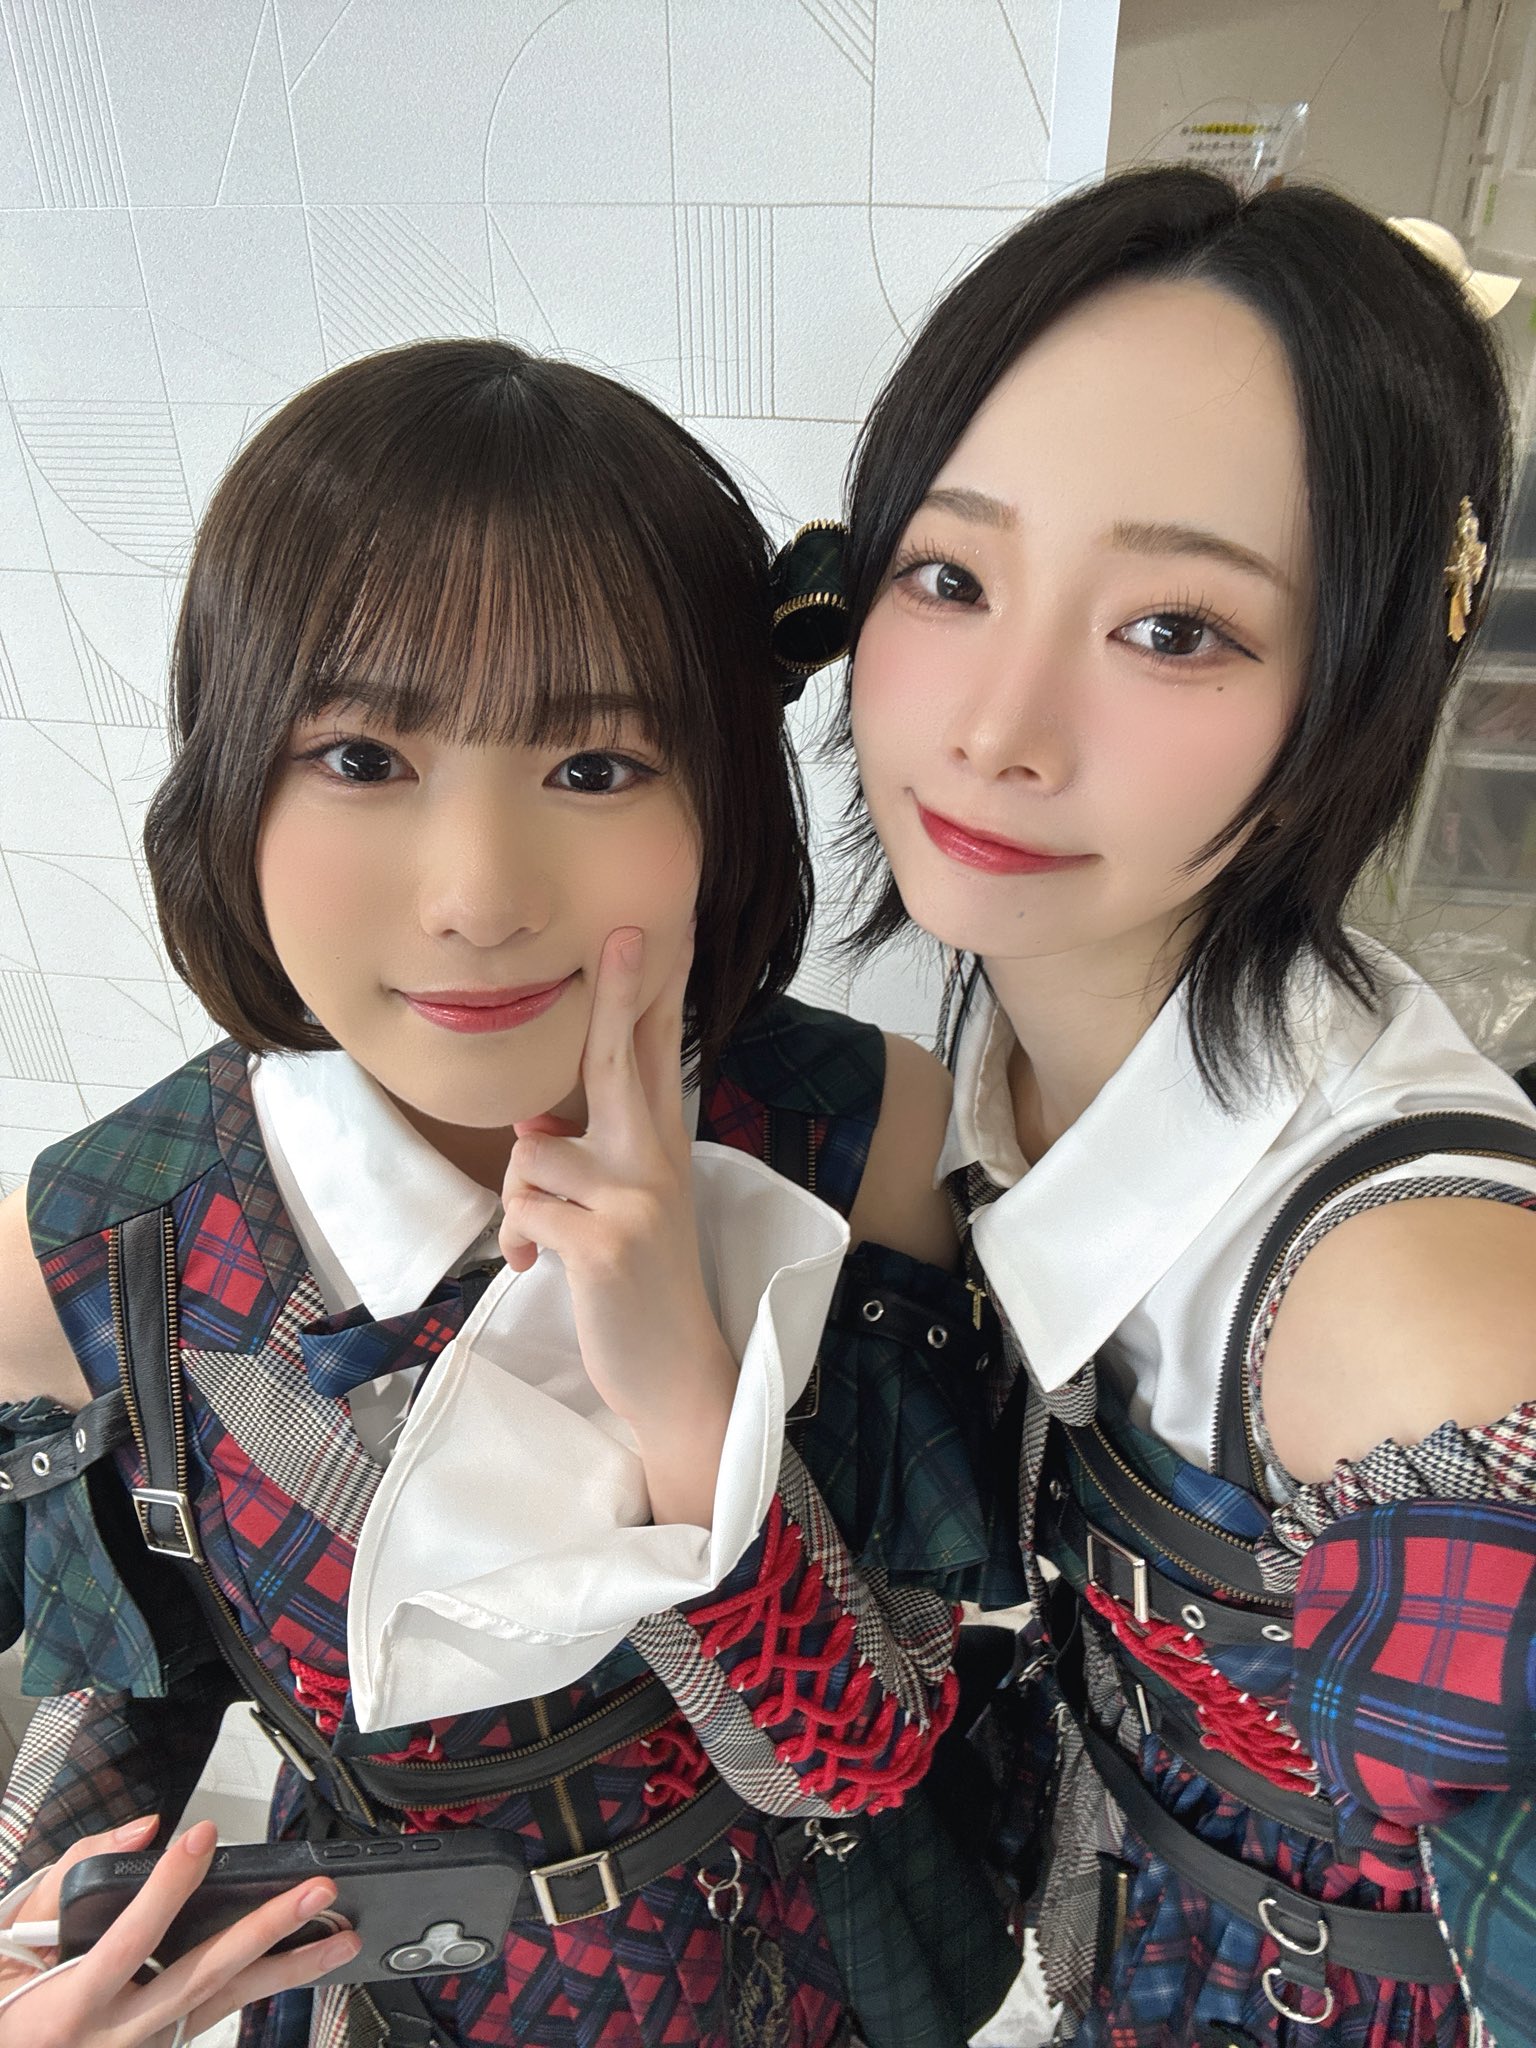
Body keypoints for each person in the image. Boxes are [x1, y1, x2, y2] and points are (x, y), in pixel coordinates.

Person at [0, 340, 1022, 2048]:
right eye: (360, 758)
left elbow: (862, 1759)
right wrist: (43, 1950)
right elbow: (122, 1688)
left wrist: (686, 1399)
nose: (476, 897)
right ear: (232, 772)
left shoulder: (856, 1134)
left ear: (723, 792)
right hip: (393, 1995)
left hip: (781, 1985)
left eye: (595, 766)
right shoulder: (110, 1239)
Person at [832, 167, 1536, 2045]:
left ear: (1360, 689)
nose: (996, 727)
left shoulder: (1401, 1323)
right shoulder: (993, 1056)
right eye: (950, 577)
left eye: (1175, 630)